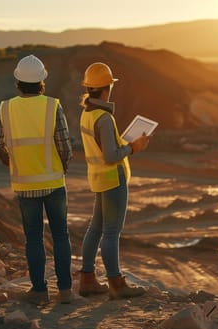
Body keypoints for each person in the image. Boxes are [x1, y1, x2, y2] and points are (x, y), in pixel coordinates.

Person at [0, 54, 73, 305]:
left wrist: (11, 161)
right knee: (60, 236)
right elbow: (65, 146)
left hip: (25, 184)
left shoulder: (6, 108)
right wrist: (61, 168)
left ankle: (39, 291)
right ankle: (66, 292)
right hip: (54, 183)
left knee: (34, 239)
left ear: (17, 82)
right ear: (41, 83)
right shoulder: (52, 106)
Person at [78, 62, 149, 299]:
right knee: (110, 232)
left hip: (98, 179)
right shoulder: (104, 119)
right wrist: (133, 147)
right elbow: (111, 156)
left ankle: (87, 279)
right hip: (112, 180)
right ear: (107, 87)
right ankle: (116, 284)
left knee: (95, 228)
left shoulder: (87, 114)